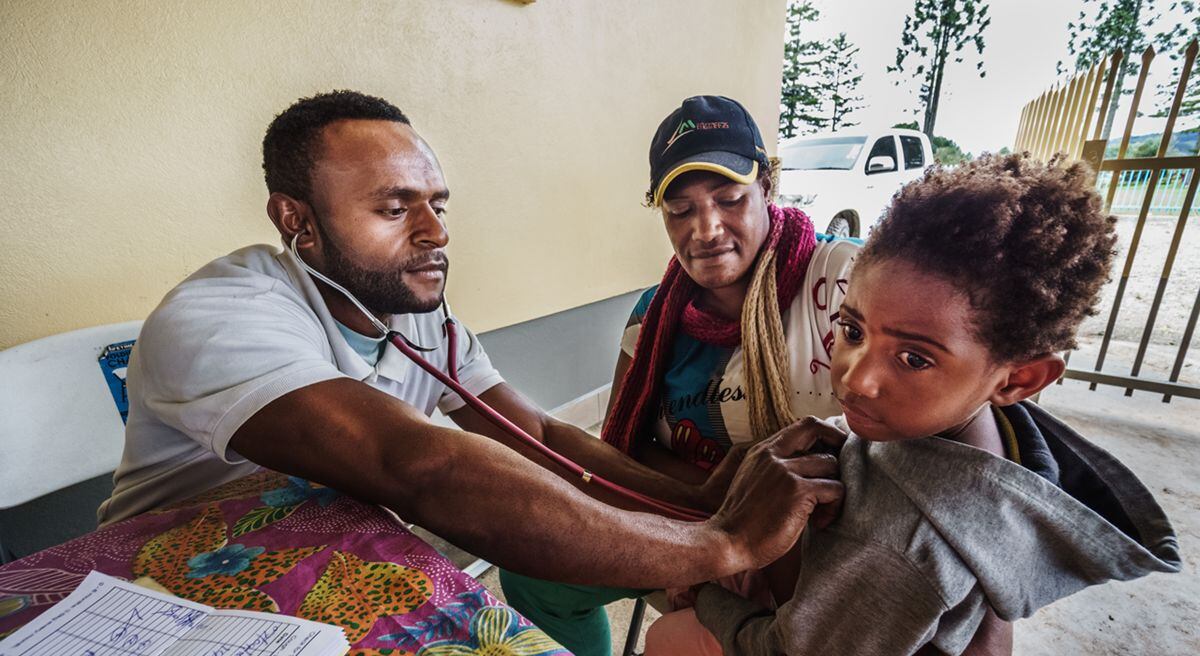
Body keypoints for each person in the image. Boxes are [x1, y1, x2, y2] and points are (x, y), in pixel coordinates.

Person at [97, 90, 847, 594]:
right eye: (395, 207)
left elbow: (539, 434)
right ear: (296, 222)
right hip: (174, 586)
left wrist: (695, 503)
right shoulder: (221, 316)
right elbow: (419, 464)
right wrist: (721, 547)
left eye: (437, 204)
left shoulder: (413, 310)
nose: (436, 234)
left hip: (336, 564)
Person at [500, 96, 1026, 656]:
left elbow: (967, 445)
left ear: (767, 189)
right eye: (680, 210)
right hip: (696, 524)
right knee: (535, 571)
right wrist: (705, 531)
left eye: (729, 199)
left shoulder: (847, 282)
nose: (705, 229)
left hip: (830, 549)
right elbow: (630, 451)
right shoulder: (652, 319)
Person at [643, 153, 1182, 655]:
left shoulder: (898, 546)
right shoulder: (974, 426)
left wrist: (707, 592)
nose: (857, 378)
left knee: (668, 635)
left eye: (914, 359)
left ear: (1020, 378)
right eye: (852, 330)